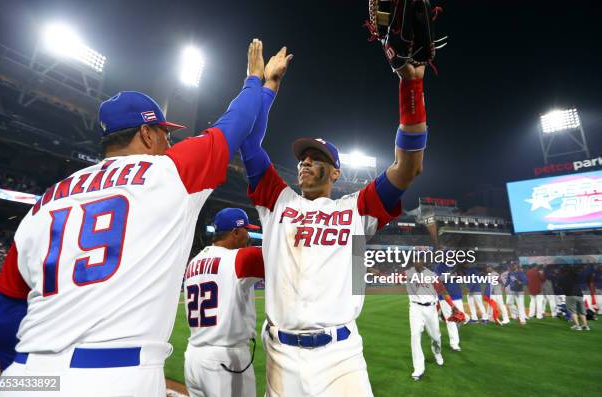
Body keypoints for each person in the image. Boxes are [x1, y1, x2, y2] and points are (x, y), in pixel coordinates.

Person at [0, 39, 270, 396]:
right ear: (147, 133)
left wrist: (26, 378)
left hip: (27, 378)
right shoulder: (169, 173)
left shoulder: (44, 201)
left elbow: (6, 311)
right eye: (166, 134)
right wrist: (254, 81)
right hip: (115, 375)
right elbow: (236, 122)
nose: (169, 143)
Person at [239, 53, 428, 395]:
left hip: (341, 357)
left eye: (317, 158)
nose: (306, 161)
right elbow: (249, 142)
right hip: (281, 356)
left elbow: (409, 167)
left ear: (336, 172)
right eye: (303, 158)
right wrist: (266, 86)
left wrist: (410, 86)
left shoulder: (357, 207)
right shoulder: (277, 200)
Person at [183, 208, 264, 397]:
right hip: (225, 360)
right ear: (235, 232)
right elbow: (282, 253)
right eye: (246, 230)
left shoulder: (193, 262)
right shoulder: (239, 258)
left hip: (193, 357)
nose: (249, 236)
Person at [405, 260, 458, 381]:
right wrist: (376, 273)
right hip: (415, 308)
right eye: (415, 259)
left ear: (423, 262)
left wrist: (452, 306)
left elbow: (443, 291)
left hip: (431, 309)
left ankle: (437, 353)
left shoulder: (432, 275)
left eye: (420, 259)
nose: (417, 262)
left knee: (436, 336)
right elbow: (389, 278)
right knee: (415, 336)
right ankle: (418, 367)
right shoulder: (408, 273)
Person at [435, 262, 468, 351]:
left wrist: (460, 275)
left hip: (457, 295)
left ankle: (455, 335)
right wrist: (452, 275)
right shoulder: (439, 266)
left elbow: (463, 277)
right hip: (444, 297)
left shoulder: (456, 265)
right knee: (451, 321)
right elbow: (439, 279)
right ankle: (454, 344)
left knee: (461, 317)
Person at [559, 266, 590, 331]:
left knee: (573, 312)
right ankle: (586, 326)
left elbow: (559, 285)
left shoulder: (562, 278)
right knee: (581, 312)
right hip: (580, 295)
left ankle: (577, 326)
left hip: (570, 295)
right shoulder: (575, 276)